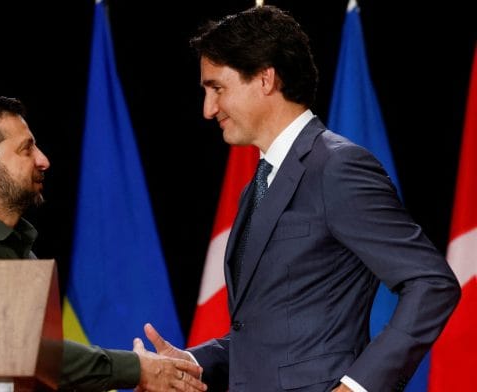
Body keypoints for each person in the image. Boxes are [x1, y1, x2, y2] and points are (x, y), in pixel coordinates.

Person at [137, 5, 461, 392]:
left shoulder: (337, 167)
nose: (208, 110)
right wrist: (190, 363)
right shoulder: (257, 186)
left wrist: (359, 387)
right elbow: (267, 335)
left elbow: (432, 282)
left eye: (217, 88)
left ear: (264, 79)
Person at [0, 96, 207, 392]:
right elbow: (24, 354)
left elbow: (40, 379)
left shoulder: (15, 248)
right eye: (26, 149)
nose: (43, 160)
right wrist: (136, 369)